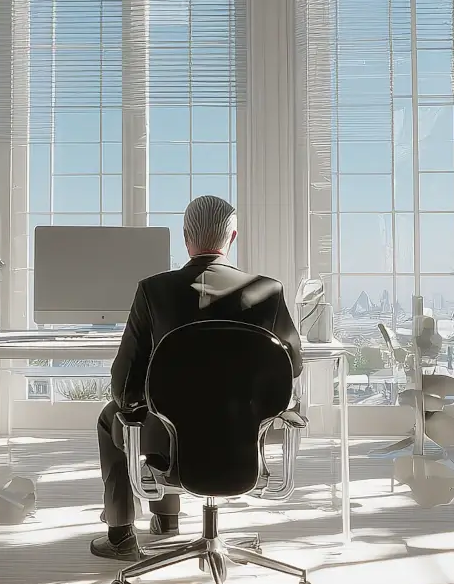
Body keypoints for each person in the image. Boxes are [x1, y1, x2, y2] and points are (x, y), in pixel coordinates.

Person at [91, 195, 304, 560]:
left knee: (113, 415)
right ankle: (166, 521)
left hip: (171, 443)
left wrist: (138, 402)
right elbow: (292, 367)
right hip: (244, 439)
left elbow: (124, 385)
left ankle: (123, 532)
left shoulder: (153, 291)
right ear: (231, 238)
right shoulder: (269, 292)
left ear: (185, 236)